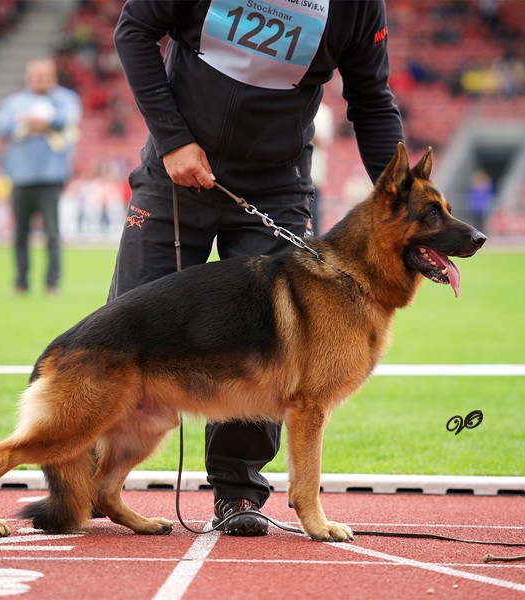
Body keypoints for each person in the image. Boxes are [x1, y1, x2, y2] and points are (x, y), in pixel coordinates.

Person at [110, 1, 404, 536]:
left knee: (270, 342)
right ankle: (89, 478)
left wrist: (407, 200)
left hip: (275, 184)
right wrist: (173, 139)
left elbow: (372, 100)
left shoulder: (358, 6)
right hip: (175, 171)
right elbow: (134, 30)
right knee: (124, 330)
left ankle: (238, 491)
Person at [0, 58, 81, 294]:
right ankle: (20, 281)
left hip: (51, 176)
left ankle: (52, 282)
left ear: (53, 76)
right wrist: (29, 125)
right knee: (20, 233)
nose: (39, 80)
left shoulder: (65, 99)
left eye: (44, 75)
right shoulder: (14, 101)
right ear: (27, 77)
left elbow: (69, 119)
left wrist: (41, 122)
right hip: (20, 176)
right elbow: (1, 126)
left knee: (52, 232)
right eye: (35, 75)